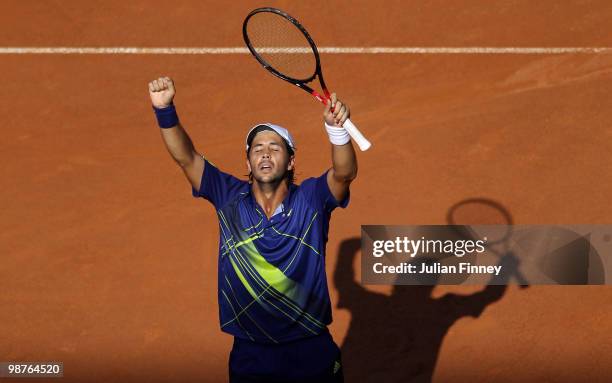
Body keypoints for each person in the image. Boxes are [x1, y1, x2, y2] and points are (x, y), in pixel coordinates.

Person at [148, 76, 358, 382]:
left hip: (310, 346)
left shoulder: (312, 199)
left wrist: (337, 130)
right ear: (248, 163)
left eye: (275, 147)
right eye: (257, 148)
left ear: (290, 162)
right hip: (251, 351)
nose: (265, 153)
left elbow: (344, 173)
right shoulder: (228, 197)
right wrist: (164, 110)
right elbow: (187, 158)